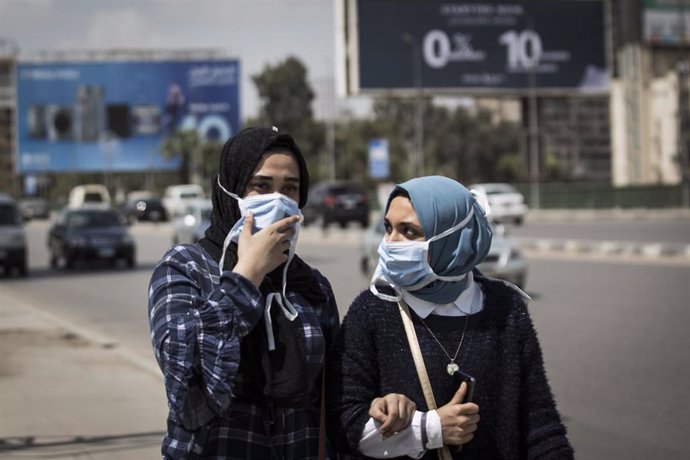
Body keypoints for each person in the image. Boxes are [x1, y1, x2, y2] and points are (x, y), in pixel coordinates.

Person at [326, 175, 573, 459]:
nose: (390, 243)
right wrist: (428, 429)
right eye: (388, 228)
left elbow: (540, 423)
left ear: (453, 239)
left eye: (408, 232)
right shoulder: (371, 309)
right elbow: (343, 424)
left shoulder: (505, 308)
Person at [148, 126, 340, 459]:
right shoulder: (186, 267)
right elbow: (181, 362)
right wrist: (247, 276)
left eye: (290, 189)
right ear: (231, 189)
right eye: (261, 186)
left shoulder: (312, 285)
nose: (277, 200)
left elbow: (332, 395)